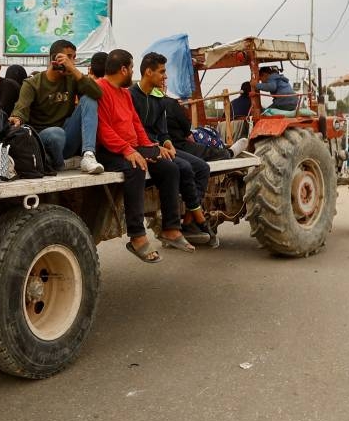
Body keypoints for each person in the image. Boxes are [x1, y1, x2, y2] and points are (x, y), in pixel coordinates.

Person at [96, 49, 193, 263]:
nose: (133, 72)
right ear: (123, 69)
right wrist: (128, 150)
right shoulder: (100, 89)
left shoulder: (125, 93)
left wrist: (151, 148)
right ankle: (137, 236)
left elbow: (136, 125)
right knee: (136, 167)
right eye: (131, 68)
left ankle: (171, 229)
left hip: (131, 147)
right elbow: (103, 130)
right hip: (110, 151)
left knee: (169, 167)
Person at [130, 52, 216, 246]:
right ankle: (198, 221)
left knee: (202, 167)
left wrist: (167, 142)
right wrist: (156, 147)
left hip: (159, 147)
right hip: (143, 148)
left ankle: (190, 221)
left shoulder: (159, 98)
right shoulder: (131, 96)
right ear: (148, 72)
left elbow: (162, 131)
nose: (165, 76)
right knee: (182, 167)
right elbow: (132, 132)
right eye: (162, 72)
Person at [9, 39, 103, 174]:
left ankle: (88, 155)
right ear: (54, 59)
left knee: (89, 98)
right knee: (55, 133)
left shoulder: (72, 78)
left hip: (68, 136)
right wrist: (17, 117)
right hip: (45, 139)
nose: (71, 62)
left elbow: (97, 93)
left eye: (73, 58)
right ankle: (60, 165)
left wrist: (73, 70)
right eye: (68, 57)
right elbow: (21, 108)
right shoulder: (32, 83)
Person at [163, 93, 248, 161]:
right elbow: (186, 129)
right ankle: (229, 153)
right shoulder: (170, 103)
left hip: (169, 143)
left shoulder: (165, 103)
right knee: (205, 154)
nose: (165, 78)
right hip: (178, 145)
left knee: (203, 141)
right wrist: (189, 135)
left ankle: (222, 148)